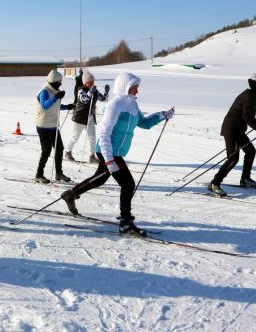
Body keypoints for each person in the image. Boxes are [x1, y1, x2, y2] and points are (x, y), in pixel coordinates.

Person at [60, 72, 174, 236]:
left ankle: (71, 194)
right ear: (125, 87)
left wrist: (162, 115)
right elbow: (104, 134)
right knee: (128, 184)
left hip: (117, 152)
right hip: (108, 150)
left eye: (137, 88)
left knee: (100, 178)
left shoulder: (133, 105)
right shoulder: (115, 105)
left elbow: (144, 123)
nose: (137, 91)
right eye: (135, 88)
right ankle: (125, 222)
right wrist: (109, 159)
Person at [208, 73, 256, 196]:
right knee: (233, 158)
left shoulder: (249, 94)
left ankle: (245, 179)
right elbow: (247, 116)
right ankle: (215, 183)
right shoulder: (249, 96)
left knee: (250, 151)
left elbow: (246, 115)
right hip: (232, 130)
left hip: (238, 129)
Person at [34, 69, 74, 184]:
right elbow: (45, 105)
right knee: (46, 151)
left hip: (53, 125)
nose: (60, 84)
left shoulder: (54, 91)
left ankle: (58, 173)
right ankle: (39, 174)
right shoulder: (44, 91)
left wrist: (68, 107)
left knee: (59, 148)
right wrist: (56, 97)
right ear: (53, 81)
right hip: (43, 125)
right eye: (59, 82)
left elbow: (56, 106)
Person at [65, 70, 109, 164]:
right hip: (80, 118)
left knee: (92, 138)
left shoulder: (95, 90)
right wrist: (90, 93)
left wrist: (106, 92)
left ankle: (92, 156)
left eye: (93, 82)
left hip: (90, 118)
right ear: (85, 82)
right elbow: (84, 100)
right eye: (90, 82)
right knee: (75, 137)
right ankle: (68, 152)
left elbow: (103, 99)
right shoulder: (81, 90)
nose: (92, 83)